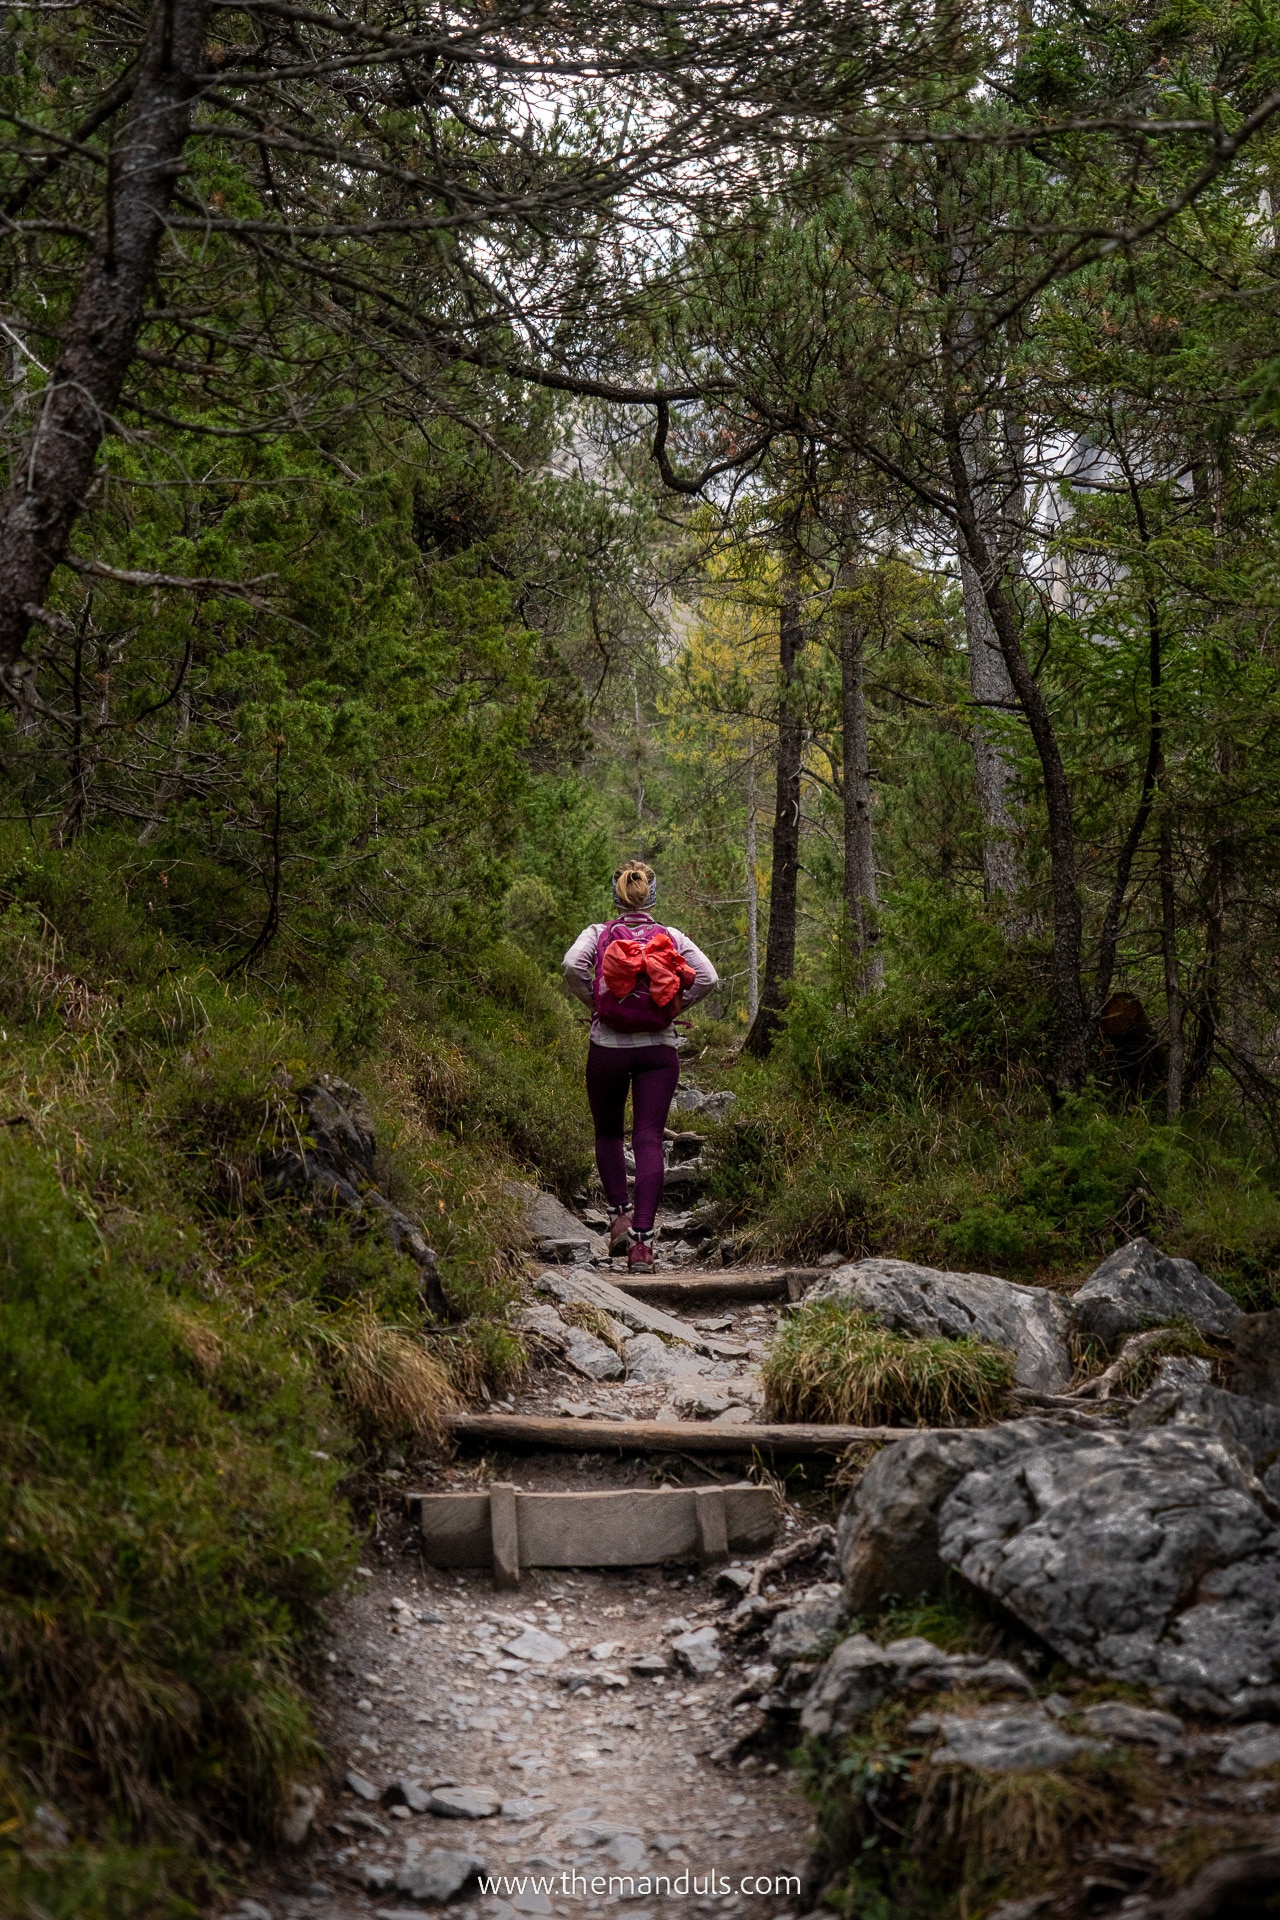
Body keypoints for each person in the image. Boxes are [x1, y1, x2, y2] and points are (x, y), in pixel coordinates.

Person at [562, 862, 718, 1270]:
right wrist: (673, 1008)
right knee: (649, 1139)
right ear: (653, 897)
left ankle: (618, 1222)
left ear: (616, 897)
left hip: (608, 1045)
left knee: (609, 1132)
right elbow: (709, 977)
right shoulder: (671, 936)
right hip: (658, 1050)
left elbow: (571, 966)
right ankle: (643, 1245)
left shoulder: (598, 934)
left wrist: (596, 1005)